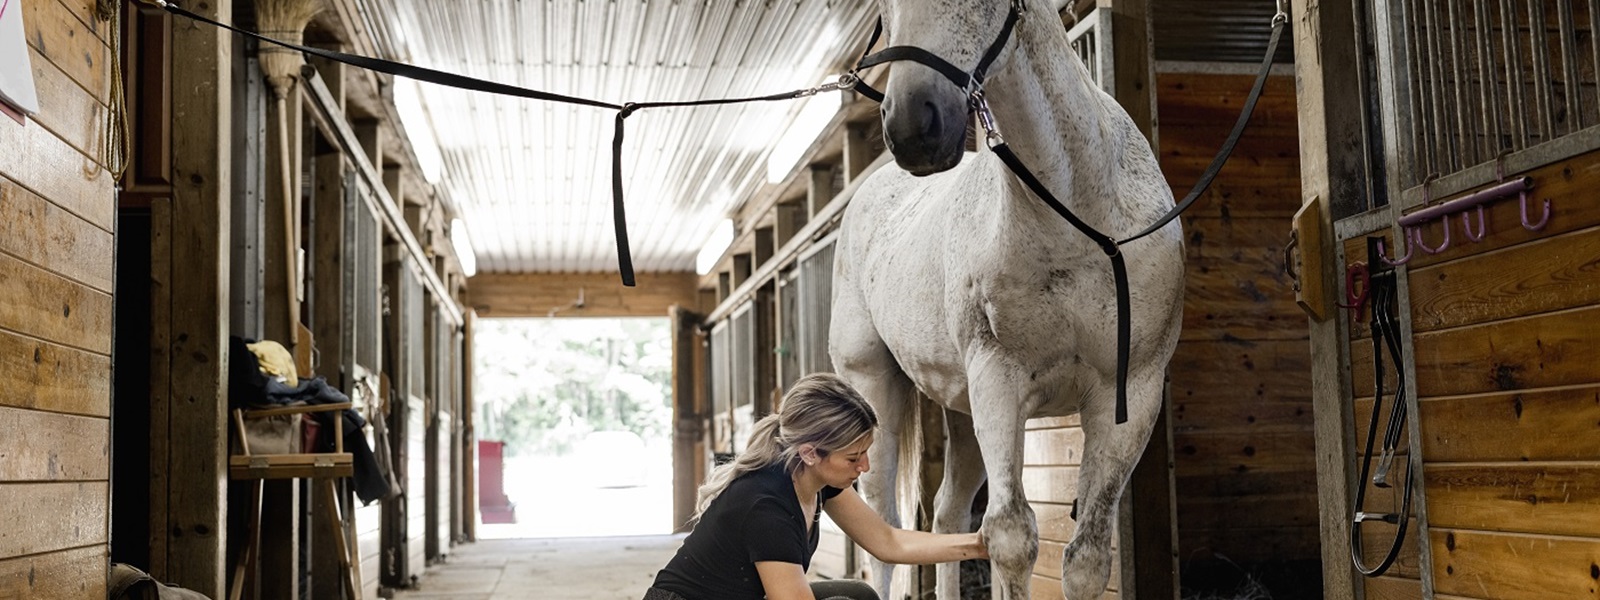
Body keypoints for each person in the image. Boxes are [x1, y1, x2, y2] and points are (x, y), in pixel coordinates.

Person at [644, 373, 988, 600]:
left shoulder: (815, 478)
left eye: (865, 453)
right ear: (810, 452)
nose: (864, 467)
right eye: (854, 458)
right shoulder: (766, 508)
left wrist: (979, 545)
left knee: (857, 596)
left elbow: (889, 542)